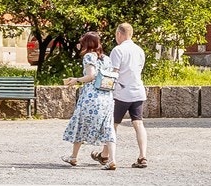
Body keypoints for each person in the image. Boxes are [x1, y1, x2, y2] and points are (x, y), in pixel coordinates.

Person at [61, 31, 116, 167]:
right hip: (107, 97)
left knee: (80, 124)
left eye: (82, 42)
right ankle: (112, 160)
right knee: (108, 127)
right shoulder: (106, 59)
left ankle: (73, 157)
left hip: (91, 97)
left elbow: (91, 75)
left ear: (87, 44)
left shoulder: (88, 56)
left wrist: (76, 80)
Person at [110, 21, 149, 168]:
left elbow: (114, 72)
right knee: (138, 123)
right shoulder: (139, 50)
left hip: (121, 92)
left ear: (119, 34)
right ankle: (142, 156)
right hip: (138, 91)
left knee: (113, 125)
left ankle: (107, 155)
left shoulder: (118, 50)